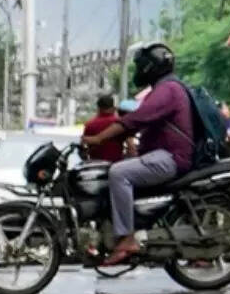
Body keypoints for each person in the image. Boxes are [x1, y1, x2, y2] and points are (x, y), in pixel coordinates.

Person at [82, 42, 194, 266]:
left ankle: (127, 238)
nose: (139, 70)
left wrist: (98, 138)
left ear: (153, 66)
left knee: (119, 173)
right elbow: (134, 125)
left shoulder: (168, 90)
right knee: (114, 172)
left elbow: (135, 120)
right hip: (163, 155)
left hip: (172, 157)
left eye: (142, 65)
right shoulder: (164, 88)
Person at [82, 94, 129, 163]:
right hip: (116, 164)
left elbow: (83, 146)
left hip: (96, 164)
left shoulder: (90, 124)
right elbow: (131, 147)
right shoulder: (120, 123)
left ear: (98, 108)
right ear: (113, 107)